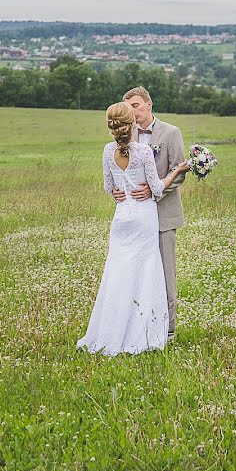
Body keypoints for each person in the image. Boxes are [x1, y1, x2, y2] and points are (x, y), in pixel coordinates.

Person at [77, 102, 189, 356]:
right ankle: (142, 333)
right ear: (132, 124)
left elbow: (109, 187)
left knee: (117, 274)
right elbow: (157, 189)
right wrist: (177, 171)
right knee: (145, 273)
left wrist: (121, 190)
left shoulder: (107, 151)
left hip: (121, 219)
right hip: (143, 217)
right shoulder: (142, 151)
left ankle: (109, 332)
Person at [113, 87, 187, 339]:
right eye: (128, 107)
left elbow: (180, 171)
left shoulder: (171, 132)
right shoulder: (124, 135)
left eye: (135, 105)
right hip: (135, 217)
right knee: (137, 271)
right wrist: (116, 190)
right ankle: (138, 325)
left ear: (149, 105)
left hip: (163, 213)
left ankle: (168, 330)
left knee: (165, 271)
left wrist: (155, 191)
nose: (132, 111)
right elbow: (118, 171)